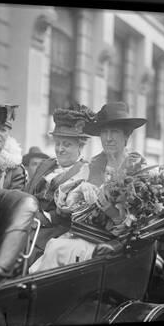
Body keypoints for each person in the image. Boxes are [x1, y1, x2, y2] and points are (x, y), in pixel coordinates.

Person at [30, 102, 147, 273]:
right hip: (84, 234)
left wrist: (112, 213)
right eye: (104, 132)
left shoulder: (137, 168)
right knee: (49, 250)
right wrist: (79, 191)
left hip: (115, 244)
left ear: (126, 136)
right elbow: (66, 204)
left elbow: (141, 224)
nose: (108, 138)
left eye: (114, 132)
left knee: (56, 250)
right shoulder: (93, 166)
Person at [25, 105, 94, 256]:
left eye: (67, 144)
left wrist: (45, 217)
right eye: (58, 143)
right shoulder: (46, 164)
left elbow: (75, 214)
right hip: (28, 219)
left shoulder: (85, 171)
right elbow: (27, 191)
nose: (60, 149)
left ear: (79, 146)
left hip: (54, 231)